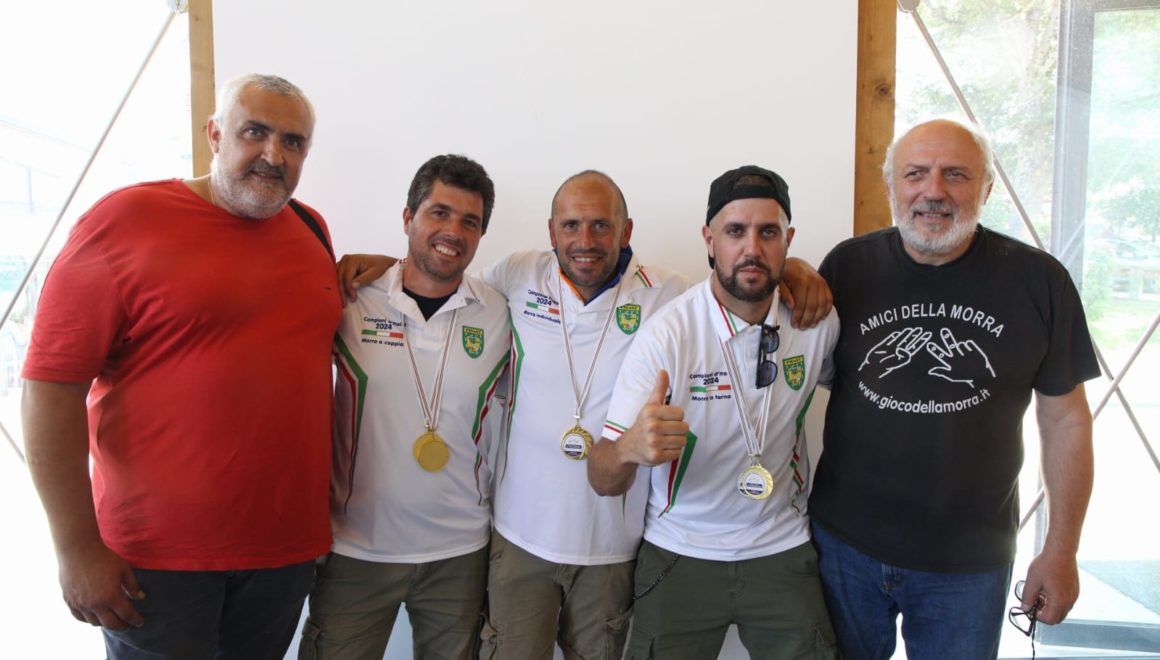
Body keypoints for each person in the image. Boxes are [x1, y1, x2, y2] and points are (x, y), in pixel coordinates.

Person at [338, 170, 832, 660]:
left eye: (601, 225)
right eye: (571, 225)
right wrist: (390, 268)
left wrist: (793, 269)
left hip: (612, 547)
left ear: (626, 231)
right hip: (519, 539)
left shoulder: (666, 293)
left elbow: (734, 285)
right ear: (551, 232)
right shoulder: (516, 275)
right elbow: (443, 278)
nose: (585, 241)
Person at [20, 74, 340, 660]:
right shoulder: (125, 220)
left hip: (283, 555)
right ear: (215, 134)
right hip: (156, 563)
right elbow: (50, 387)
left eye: (292, 142)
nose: (273, 155)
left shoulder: (311, 229)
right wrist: (75, 549)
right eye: (255, 132)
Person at [808, 118, 1099, 660]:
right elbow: (799, 374)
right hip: (845, 547)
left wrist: (1061, 551)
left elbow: (1066, 420)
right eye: (915, 173)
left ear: (986, 188)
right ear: (891, 186)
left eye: (956, 175)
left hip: (970, 564)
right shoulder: (846, 268)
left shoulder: (1039, 281)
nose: (933, 190)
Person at [588, 165, 841, 659]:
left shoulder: (816, 322)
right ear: (709, 240)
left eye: (768, 233)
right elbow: (601, 477)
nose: (752, 248)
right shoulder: (667, 335)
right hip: (680, 552)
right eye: (735, 231)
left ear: (788, 240)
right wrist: (628, 450)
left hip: (781, 549)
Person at [298, 155, 510, 659]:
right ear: (408, 217)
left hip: (461, 552)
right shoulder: (351, 296)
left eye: (470, 221)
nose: (453, 231)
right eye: (439, 213)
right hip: (356, 548)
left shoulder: (500, 310)